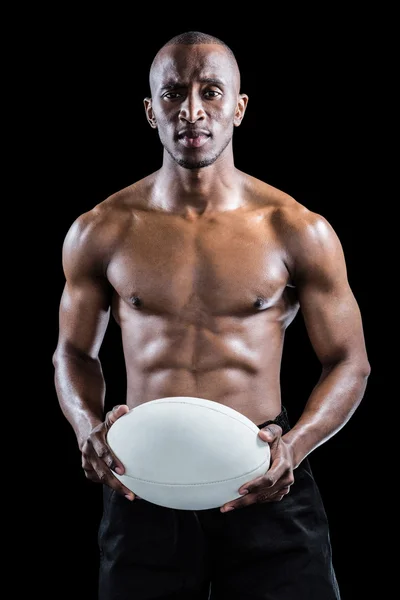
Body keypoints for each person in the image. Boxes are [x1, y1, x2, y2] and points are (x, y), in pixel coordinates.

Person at [53, 30, 370, 600]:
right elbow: (73, 353)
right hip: (140, 486)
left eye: (211, 92)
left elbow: (350, 361)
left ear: (239, 108)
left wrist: (295, 447)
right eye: (174, 94)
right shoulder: (102, 230)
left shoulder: (294, 229)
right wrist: (85, 428)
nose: (192, 110)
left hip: (265, 481)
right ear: (151, 112)